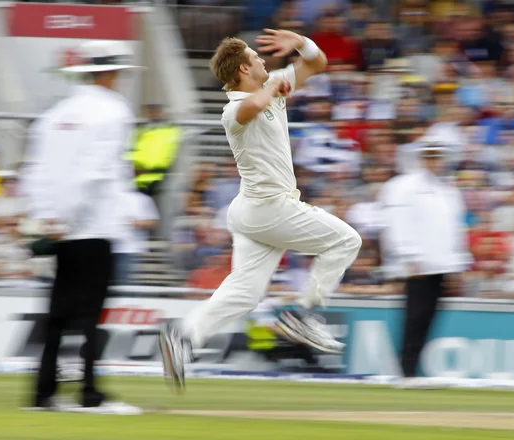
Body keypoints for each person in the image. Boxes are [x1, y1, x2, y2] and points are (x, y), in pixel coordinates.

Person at [160, 29, 362, 391]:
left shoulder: (272, 83)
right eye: (256, 58)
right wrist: (273, 88)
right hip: (270, 207)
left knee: (245, 293)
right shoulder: (232, 108)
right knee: (347, 241)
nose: (264, 60)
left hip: (252, 212)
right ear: (242, 70)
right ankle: (304, 312)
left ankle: (184, 338)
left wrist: (299, 42)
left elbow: (318, 63)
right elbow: (252, 107)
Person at [22, 40, 141, 414]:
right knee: (90, 315)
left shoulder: (55, 114)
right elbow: (95, 172)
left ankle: (43, 394)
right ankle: (89, 394)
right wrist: (69, 217)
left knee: (57, 313)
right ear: (110, 73)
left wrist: (48, 218)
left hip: (59, 227)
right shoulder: (113, 112)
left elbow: (34, 171)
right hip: (92, 225)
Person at [380, 137, 472, 389]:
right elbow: (397, 223)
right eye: (429, 156)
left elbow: (456, 229)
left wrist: (457, 264)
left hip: (441, 264)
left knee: (429, 318)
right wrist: (407, 256)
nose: (433, 162)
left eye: (437, 157)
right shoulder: (403, 186)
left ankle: (413, 370)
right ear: (420, 158)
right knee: (415, 317)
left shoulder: (449, 190)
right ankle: (406, 371)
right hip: (418, 265)